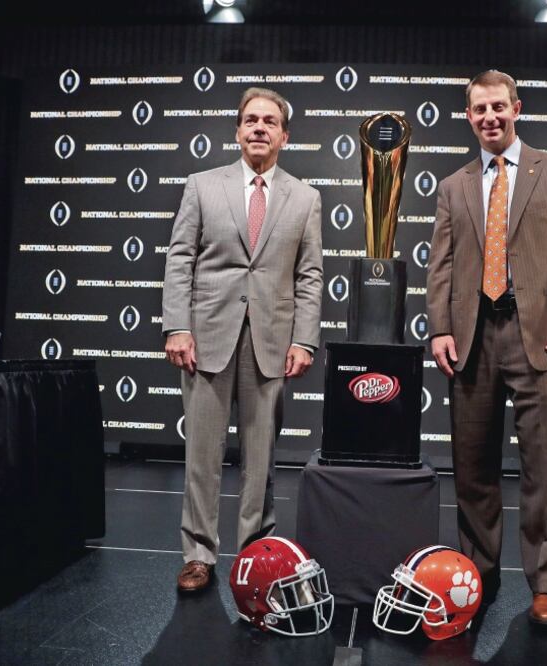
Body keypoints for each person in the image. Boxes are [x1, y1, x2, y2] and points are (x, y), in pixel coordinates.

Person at [426, 70, 547, 626]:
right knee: (471, 467)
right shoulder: (453, 186)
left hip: (540, 338)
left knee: (546, 470)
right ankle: (476, 574)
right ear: (469, 116)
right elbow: (442, 267)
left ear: (517, 107)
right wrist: (439, 328)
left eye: (498, 107)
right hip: (473, 339)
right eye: (479, 110)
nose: (490, 118)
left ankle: (546, 585)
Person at [161, 87, 323, 592]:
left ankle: (256, 556)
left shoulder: (306, 197)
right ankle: (198, 556)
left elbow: (310, 276)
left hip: (272, 344)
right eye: (250, 120)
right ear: (237, 131)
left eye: (269, 122)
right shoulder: (202, 185)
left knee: (261, 463)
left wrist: (305, 340)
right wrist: (177, 326)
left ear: (284, 135)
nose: (259, 128)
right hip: (207, 338)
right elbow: (180, 258)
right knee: (202, 458)